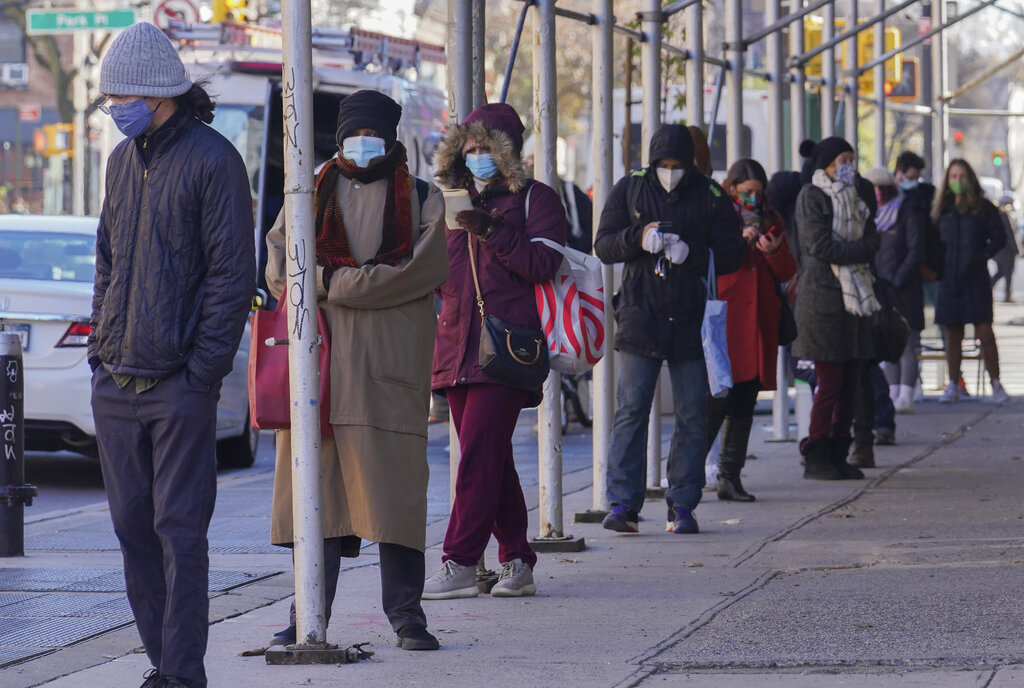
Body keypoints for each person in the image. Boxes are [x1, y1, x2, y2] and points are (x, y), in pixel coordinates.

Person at [88, 23, 256, 688]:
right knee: (134, 533)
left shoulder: (215, 161)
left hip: (179, 385)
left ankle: (182, 674)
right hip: (117, 384)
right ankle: (163, 664)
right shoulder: (120, 164)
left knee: (179, 535)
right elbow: (107, 263)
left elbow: (231, 278)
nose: (114, 111)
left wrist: (201, 376)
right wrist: (100, 354)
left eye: (119, 98)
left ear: (158, 96)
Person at [265, 90, 448, 651]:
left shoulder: (422, 197)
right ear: (339, 139)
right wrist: (344, 284)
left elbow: (420, 271)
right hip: (318, 376)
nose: (362, 144)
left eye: (373, 134)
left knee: (396, 499)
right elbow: (279, 267)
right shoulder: (307, 192)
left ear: (391, 139)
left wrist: (331, 283)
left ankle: (407, 617)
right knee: (315, 504)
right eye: (354, 134)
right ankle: (306, 615)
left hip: (386, 374)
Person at [424, 103, 566, 599]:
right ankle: (517, 561)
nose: (477, 154)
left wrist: (490, 230)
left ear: (507, 151)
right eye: (471, 146)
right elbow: (440, 275)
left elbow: (544, 262)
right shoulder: (448, 199)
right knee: (491, 459)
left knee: (478, 456)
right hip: (456, 346)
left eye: (487, 147)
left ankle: (459, 559)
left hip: (508, 345)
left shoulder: (534, 200)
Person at [595, 124, 744, 534]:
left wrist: (691, 253)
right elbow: (603, 244)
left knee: (693, 414)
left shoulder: (711, 196)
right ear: (652, 161)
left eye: (677, 165)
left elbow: (733, 253)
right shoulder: (631, 188)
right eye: (663, 164)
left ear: (690, 164)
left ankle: (683, 504)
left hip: (692, 323)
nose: (670, 171)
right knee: (631, 411)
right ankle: (623, 503)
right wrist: (636, 238)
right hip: (640, 317)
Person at [792, 137, 880, 481]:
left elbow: (874, 238)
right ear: (826, 164)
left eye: (851, 159)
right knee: (829, 383)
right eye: (841, 160)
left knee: (852, 383)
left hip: (857, 299)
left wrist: (859, 249)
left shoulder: (859, 194)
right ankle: (817, 454)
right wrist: (859, 250)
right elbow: (820, 246)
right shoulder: (810, 196)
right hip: (823, 302)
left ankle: (840, 452)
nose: (847, 166)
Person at [709, 158, 796, 501]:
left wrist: (773, 252)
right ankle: (685, 478)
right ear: (732, 189)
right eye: (746, 193)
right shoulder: (719, 217)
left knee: (746, 400)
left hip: (759, 321)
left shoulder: (772, 218)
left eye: (758, 193)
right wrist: (738, 240)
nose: (752, 199)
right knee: (716, 402)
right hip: (727, 320)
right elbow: (713, 262)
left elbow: (788, 269)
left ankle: (730, 476)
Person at [932, 159, 1009, 403]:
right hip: (949, 279)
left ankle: (996, 383)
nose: (957, 181)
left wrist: (981, 256)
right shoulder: (942, 210)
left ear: (970, 179)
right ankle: (954, 383)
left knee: (985, 332)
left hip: (975, 278)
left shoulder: (984, 208)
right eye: (953, 176)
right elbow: (932, 242)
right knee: (952, 333)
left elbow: (999, 237)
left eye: (961, 176)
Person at [865, 167, 926, 415]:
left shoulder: (906, 212)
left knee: (907, 343)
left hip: (904, 289)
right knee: (887, 343)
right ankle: (892, 393)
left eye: (880, 188)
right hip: (880, 289)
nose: (877, 194)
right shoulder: (869, 216)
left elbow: (915, 250)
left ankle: (906, 394)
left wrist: (898, 279)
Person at [990, 195, 1022, 303]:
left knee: (1001, 272)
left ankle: (990, 289)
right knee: (1007, 273)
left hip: (1000, 251)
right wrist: (1018, 250)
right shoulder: (1005, 216)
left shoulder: (1000, 216)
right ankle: (1007, 295)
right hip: (1007, 251)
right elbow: (1011, 235)